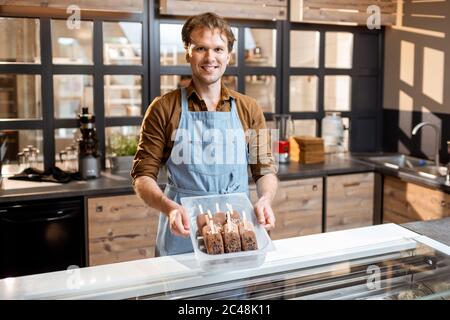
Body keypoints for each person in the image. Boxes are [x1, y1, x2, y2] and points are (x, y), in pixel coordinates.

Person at [131, 12, 278, 256]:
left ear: (228, 56)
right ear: (188, 51)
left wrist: (265, 200)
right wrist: (169, 208)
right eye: (201, 48)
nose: (210, 57)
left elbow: (264, 169)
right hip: (183, 232)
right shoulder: (164, 108)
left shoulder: (249, 108)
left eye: (218, 49)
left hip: (237, 229)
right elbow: (142, 176)